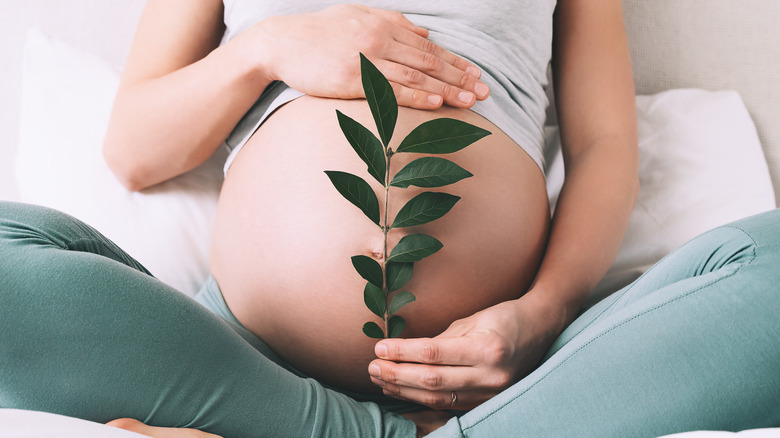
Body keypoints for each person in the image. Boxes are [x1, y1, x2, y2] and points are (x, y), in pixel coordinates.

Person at [0, 1, 777, 437]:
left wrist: (540, 314)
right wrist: (265, 50)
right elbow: (135, 149)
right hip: (243, 361)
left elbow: (606, 148)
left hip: (510, 378)